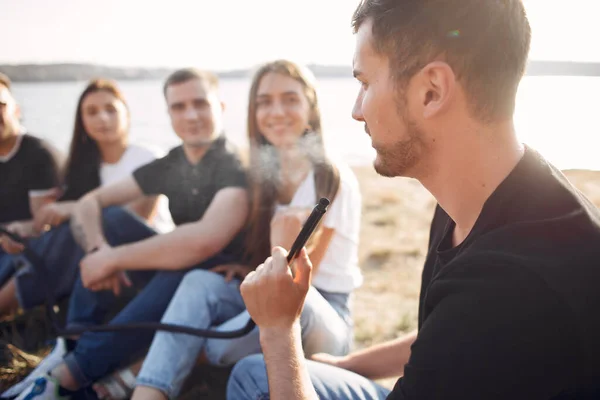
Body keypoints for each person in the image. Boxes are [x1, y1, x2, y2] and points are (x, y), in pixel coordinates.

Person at [227, 0, 600, 399]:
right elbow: (444, 331)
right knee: (254, 374)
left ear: (431, 91)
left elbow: (472, 319)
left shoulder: (507, 284)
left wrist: (279, 331)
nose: (356, 110)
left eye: (366, 83)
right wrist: (346, 366)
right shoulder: (490, 196)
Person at [7, 68, 249, 400]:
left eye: (200, 104)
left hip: (221, 284)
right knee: (113, 220)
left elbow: (202, 241)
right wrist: (97, 250)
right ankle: (73, 344)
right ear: (168, 113)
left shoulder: (232, 164)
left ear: (220, 107)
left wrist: (112, 259)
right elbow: (92, 202)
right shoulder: (174, 162)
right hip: (181, 270)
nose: (191, 115)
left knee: (185, 265)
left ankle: (71, 373)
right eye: (179, 107)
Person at [128, 59, 362, 400]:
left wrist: (280, 248)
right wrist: (246, 267)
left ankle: (149, 367)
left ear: (311, 108)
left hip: (322, 312)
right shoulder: (261, 178)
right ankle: (146, 393)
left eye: (290, 99)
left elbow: (295, 284)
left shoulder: (333, 180)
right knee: (198, 282)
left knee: (218, 347)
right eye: (264, 102)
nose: (276, 111)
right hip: (277, 296)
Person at [0, 78, 174, 316]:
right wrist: (24, 228)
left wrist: (74, 209)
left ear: (127, 114)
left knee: (87, 225)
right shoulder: (81, 168)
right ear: (82, 121)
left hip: (146, 253)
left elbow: (131, 218)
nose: (102, 118)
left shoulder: (148, 158)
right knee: (38, 240)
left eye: (111, 109)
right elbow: (55, 220)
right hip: (100, 257)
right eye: (92, 112)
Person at [0, 71, 62, 290]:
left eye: (1, 105)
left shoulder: (39, 153)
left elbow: (42, 224)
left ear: (16, 110)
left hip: (27, 249)